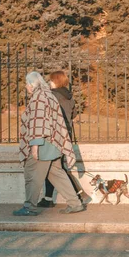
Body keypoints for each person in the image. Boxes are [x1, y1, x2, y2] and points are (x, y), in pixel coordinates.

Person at [13, 71, 85, 216]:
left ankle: (29, 207)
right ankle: (75, 203)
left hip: (43, 144)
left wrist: (35, 145)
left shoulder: (39, 97)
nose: (26, 87)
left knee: (33, 175)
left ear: (33, 84)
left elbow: (39, 122)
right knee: (56, 173)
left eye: (27, 83)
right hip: (54, 143)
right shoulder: (49, 95)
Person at [37, 70, 91, 208]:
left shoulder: (52, 96)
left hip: (55, 134)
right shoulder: (69, 97)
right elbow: (73, 115)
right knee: (54, 166)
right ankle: (48, 198)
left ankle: (79, 195)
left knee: (54, 167)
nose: (49, 82)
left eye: (50, 80)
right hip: (66, 134)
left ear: (55, 81)